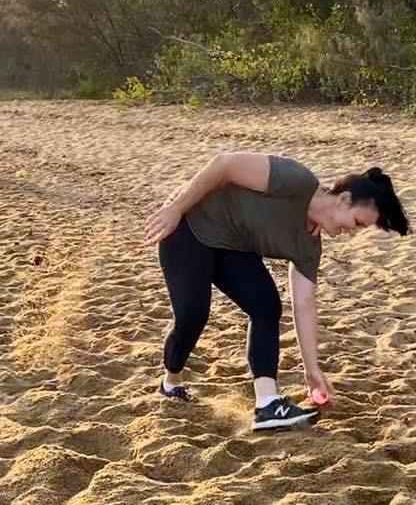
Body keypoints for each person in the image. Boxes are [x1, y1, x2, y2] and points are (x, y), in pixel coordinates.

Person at [145, 153, 409, 432]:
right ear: (343, 199)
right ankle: (171, 383)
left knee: (267, 307)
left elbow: (304, 303)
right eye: (357, 223)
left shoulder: (309, 248)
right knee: (192, 315)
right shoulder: (296, 180)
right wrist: (175, 208)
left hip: (232, 248)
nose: (352, 233)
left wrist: (312, 371)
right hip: (189, 226)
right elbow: (224, 165)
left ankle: (267, 404)